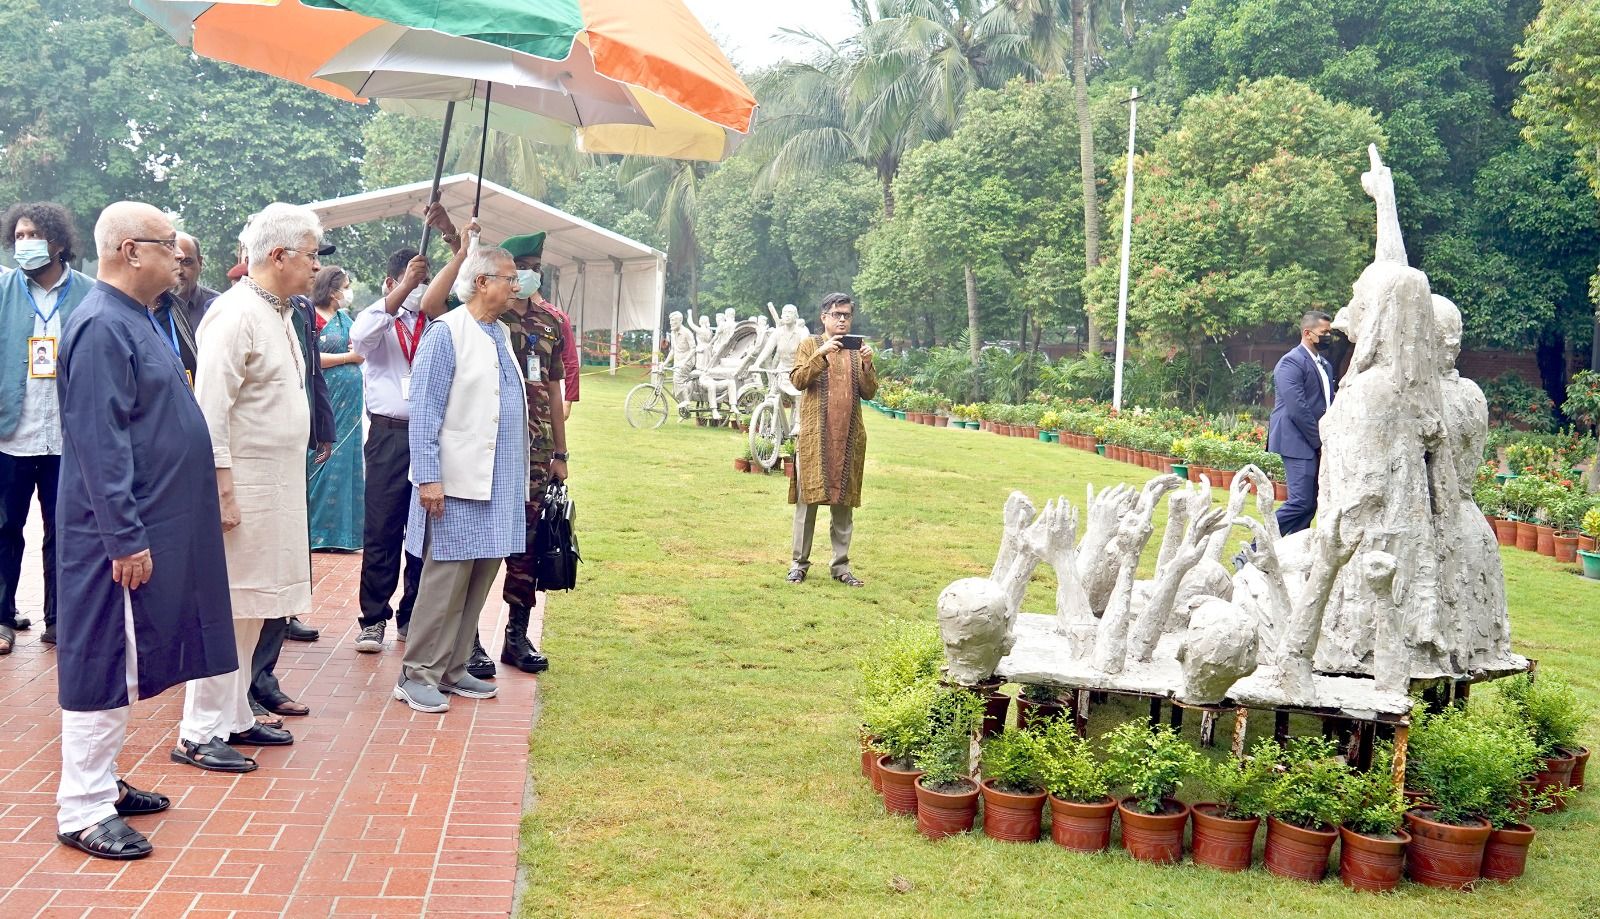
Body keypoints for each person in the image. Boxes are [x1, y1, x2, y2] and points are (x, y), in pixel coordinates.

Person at [54, 201, 236, 859]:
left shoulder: (139, 319)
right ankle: (82, 807)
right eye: (168, 244)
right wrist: (125, 536)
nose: (179, 256)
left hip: (150, 524)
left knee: (127, 657)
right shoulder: (103, 325)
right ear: (131, 250)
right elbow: (100, 444)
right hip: (115, 538)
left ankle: (101, 778)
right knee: (102, 659)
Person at [179, 202, 323, 770]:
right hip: (241, 487)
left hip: (275, 485)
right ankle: (197, 729)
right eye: (311, 255)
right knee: (227, 604)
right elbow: (209, 409)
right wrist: (221, 488)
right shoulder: (236, 312)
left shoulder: (279, 310)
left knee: (254, 604)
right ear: (278, 255)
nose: (316, 266)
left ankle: (234, 714)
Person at [425, 230, 568, 674]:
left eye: (531, 269)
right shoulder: (475, 318)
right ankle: (465, 644)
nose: (525, 277)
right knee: (473, 549)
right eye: (518, 269)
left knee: (525, 547)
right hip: (482, 454)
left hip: (532, 451)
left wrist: (562, 452)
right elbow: (431, 305)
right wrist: (461, 249)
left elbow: (553, 387)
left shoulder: (548, 322)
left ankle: (516, 635)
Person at [393, 243, 527, 713]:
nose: (517, 286)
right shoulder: (446, 333)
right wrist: (428, 478)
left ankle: (451, 668)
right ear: (482, 282)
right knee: (445, 579)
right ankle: (418, 674)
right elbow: (425, 411)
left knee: (478, 579)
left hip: (496, 483)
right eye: (509, 278)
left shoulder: (501, 333)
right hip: (454, 485)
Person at [348, 204, 461, 653]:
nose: (419, 292)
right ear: (391, 283)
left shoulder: (436, 319)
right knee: (383, 526)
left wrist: (453, 239)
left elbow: (466, 284)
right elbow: (360, 339)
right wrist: (403, 292)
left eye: (424, 284)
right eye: (412, 283)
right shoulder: (381, 318)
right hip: (390, 435)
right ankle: (374, 617)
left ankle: (411, 613)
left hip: (430, 435)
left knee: (425, 527)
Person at [0, 203, 92, 654]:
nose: (24, 243)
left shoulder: (89, 294)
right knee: (4, 527)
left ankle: (60, 618)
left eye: (33, 234)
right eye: (18, 235)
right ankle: (1, 616)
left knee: (64, 531)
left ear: (57, 242)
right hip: (10, 433)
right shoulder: (1, 291)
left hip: (67, 436)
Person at [786, 293, 877, 587]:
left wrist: (867, 364)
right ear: (823, 317)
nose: (841, 320)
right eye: (836, 314)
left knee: (843, 505)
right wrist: (822, 353)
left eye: (846, 315)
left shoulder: (856, 349)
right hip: (815, 437)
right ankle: (799, 564)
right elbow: (798, 380)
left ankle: (841, 566)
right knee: (807, 502)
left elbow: (870, 392)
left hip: (848, 437)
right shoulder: (809, 345)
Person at [307, 266, 365, 551]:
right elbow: (311, 356)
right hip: (325, 398)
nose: (349, 290)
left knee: (346, 462)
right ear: (332, 290)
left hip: (350, 404)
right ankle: (317, 533)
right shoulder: (311, 317)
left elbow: (363, 351)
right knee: (321, 459)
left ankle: (344, 535)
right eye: (346, 285)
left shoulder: (345, 318)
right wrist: (348, 358)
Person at [1268, 310, 1338, 536]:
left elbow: (1328, 402)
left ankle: (1293, 555)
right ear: (1308, 333)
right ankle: (1253, 549)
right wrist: (1319, 442)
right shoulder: (1291, 362)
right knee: (1300, 502)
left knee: (1309, 506)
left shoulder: (1325, 365)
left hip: (1315, 441)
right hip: (1296, 440)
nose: (1329, 336)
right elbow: (1298, 409)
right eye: (1324, 332)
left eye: (1330, 332)